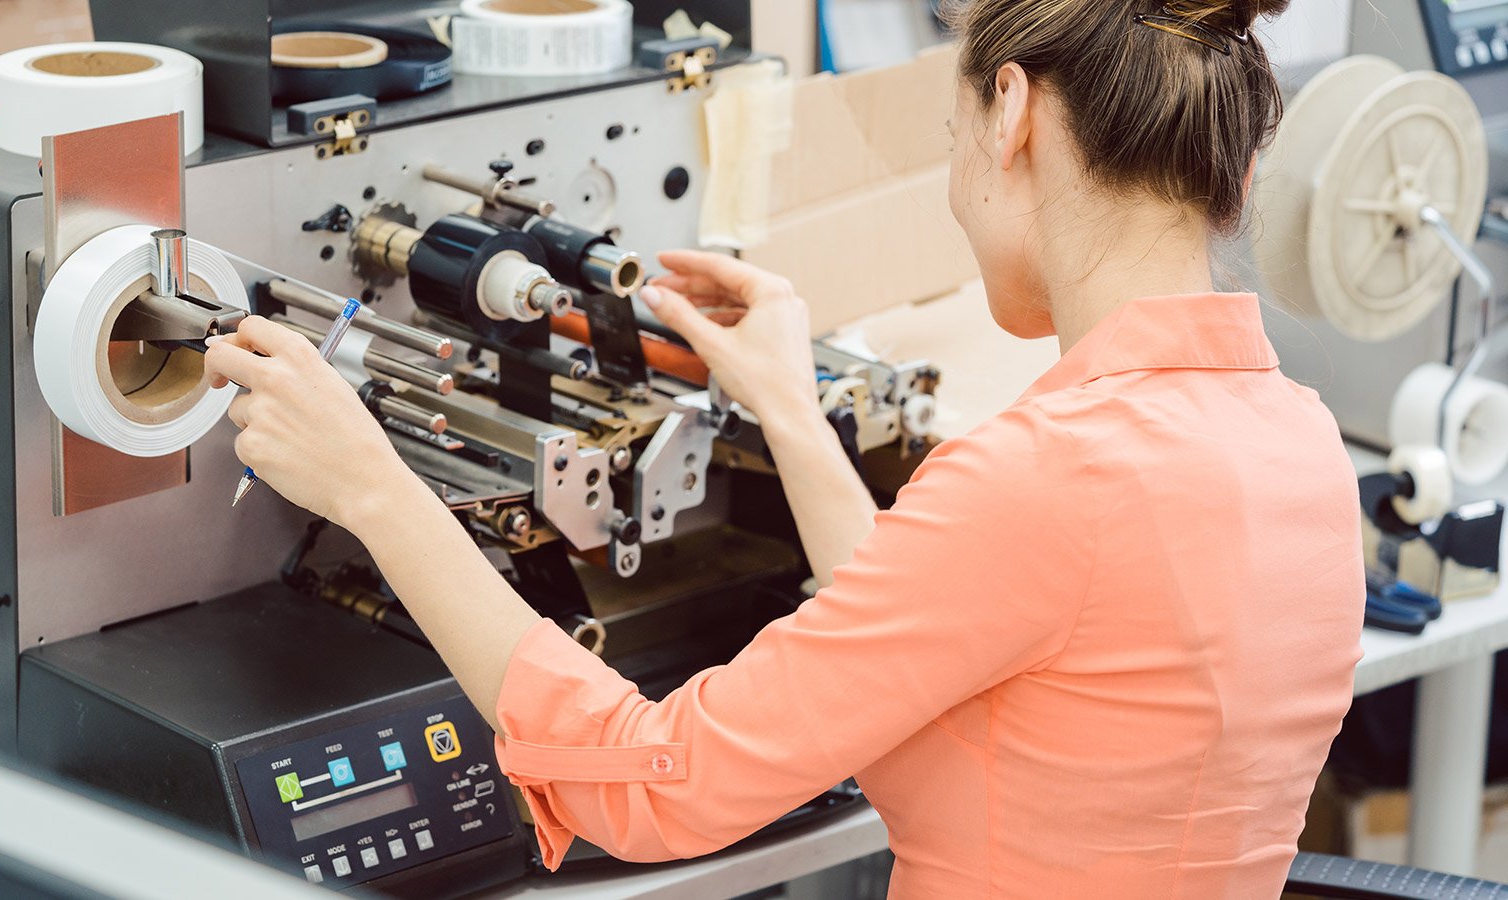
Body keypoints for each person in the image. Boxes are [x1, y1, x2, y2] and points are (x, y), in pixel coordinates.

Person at [204, 0, 1365, 895]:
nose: (959, 191)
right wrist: (789, 408)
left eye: (954, 137)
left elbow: (662, 783)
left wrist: (371, 482)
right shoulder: (1300, 450)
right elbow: (953, 636)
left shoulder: (1048, 474)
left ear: (1011, 112)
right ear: (1240, 167)